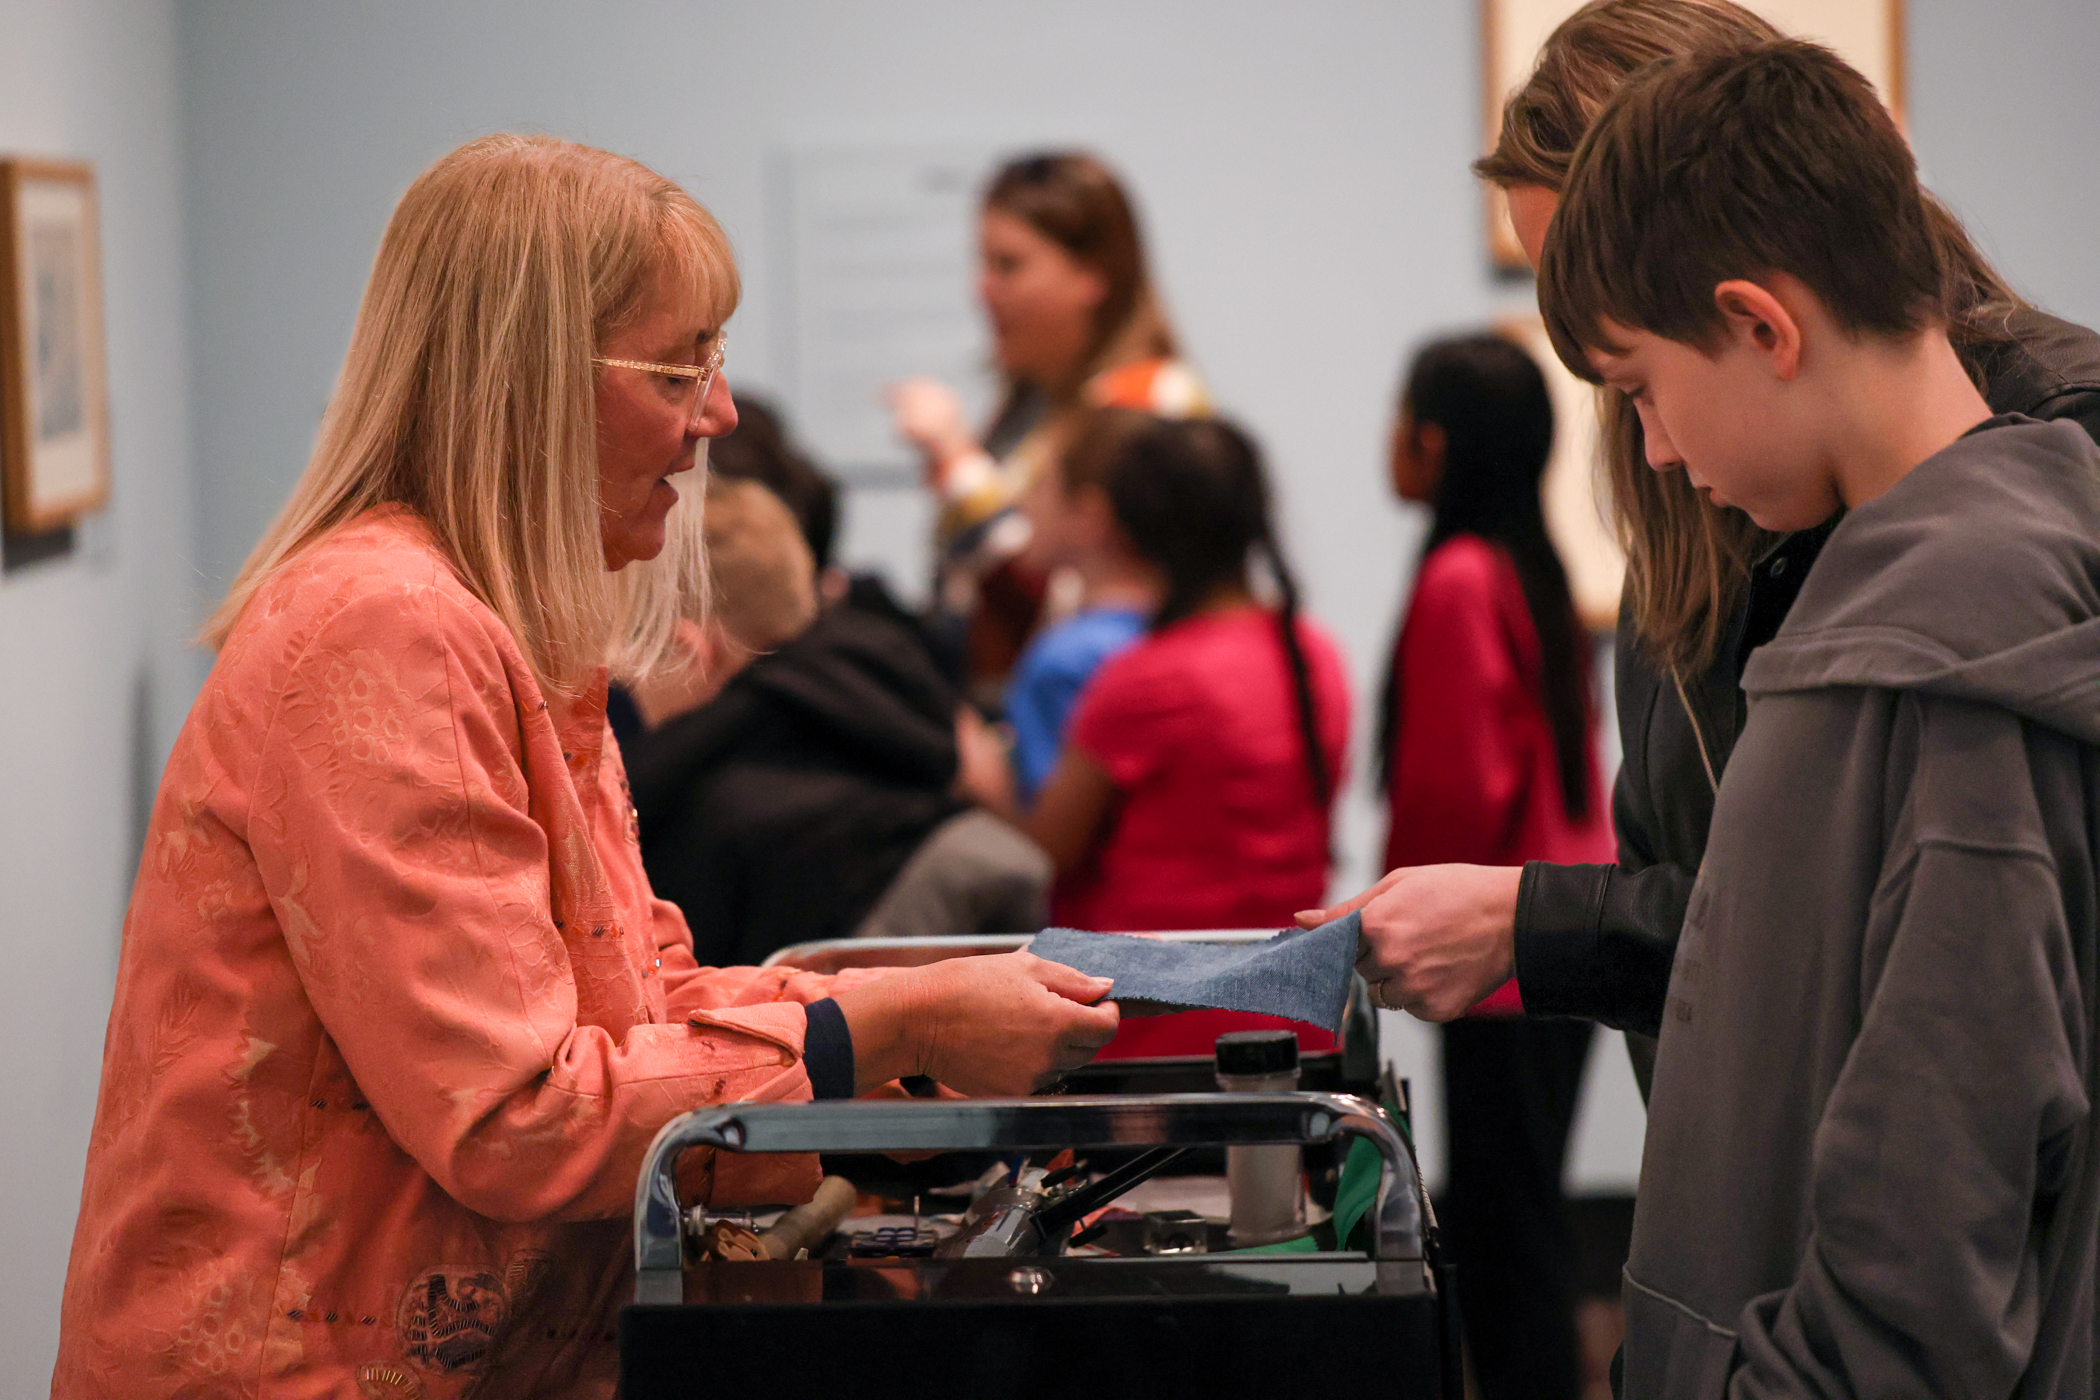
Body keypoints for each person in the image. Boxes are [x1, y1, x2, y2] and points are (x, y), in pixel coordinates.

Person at [51, 135, 1119, 1399]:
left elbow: (641, 998)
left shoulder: (509, 625)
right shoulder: (384, 625)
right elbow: (517, 1115)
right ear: (528, 379)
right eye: (680, 368)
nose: (718, 413)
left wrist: (895, 1046)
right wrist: (899, 1019)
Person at [1301, 0, 2100, 1084]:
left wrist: (1541, 922)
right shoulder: (1695, 483)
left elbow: (1937, 945)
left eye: (1629, 357)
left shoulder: (2057, 449)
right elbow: (1701, 862)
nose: (1657, 443)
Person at [1540, 41, 2100, 1392]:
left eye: (1641, 391)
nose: (1659, 452)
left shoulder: (1949, 637)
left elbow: (1932, 1207)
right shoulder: (1898, 584)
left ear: (1760, 326)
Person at [1382, 334, 1614, 1400]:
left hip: (1496, 949)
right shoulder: (1536, 565)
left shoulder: (1458, 576)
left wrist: (1392, 912)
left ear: (1431, 442)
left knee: (1503, 1233)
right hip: (1563, 929)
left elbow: (1455, 784)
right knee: (1527, 1218)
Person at [620, 475, 1050, 964]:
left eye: (631, 649)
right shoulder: (896, 696)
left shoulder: (692, 810)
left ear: (687, 652)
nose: (623, 678)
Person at [888, 152, 1207, 703]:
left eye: (1008, 266)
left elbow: (1067, 588)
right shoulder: (1033, 407)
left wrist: (956, 461)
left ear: (1091, 276)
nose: (982, 290)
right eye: (982, 264)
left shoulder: (1153, 404)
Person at [1000, 409, 1160, 806]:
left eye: (1039, 485)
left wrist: (977, 773)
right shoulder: (1180, 628)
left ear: (1089, 517)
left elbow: (1049, 825)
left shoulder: (1069, 660)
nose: (1021, 501)